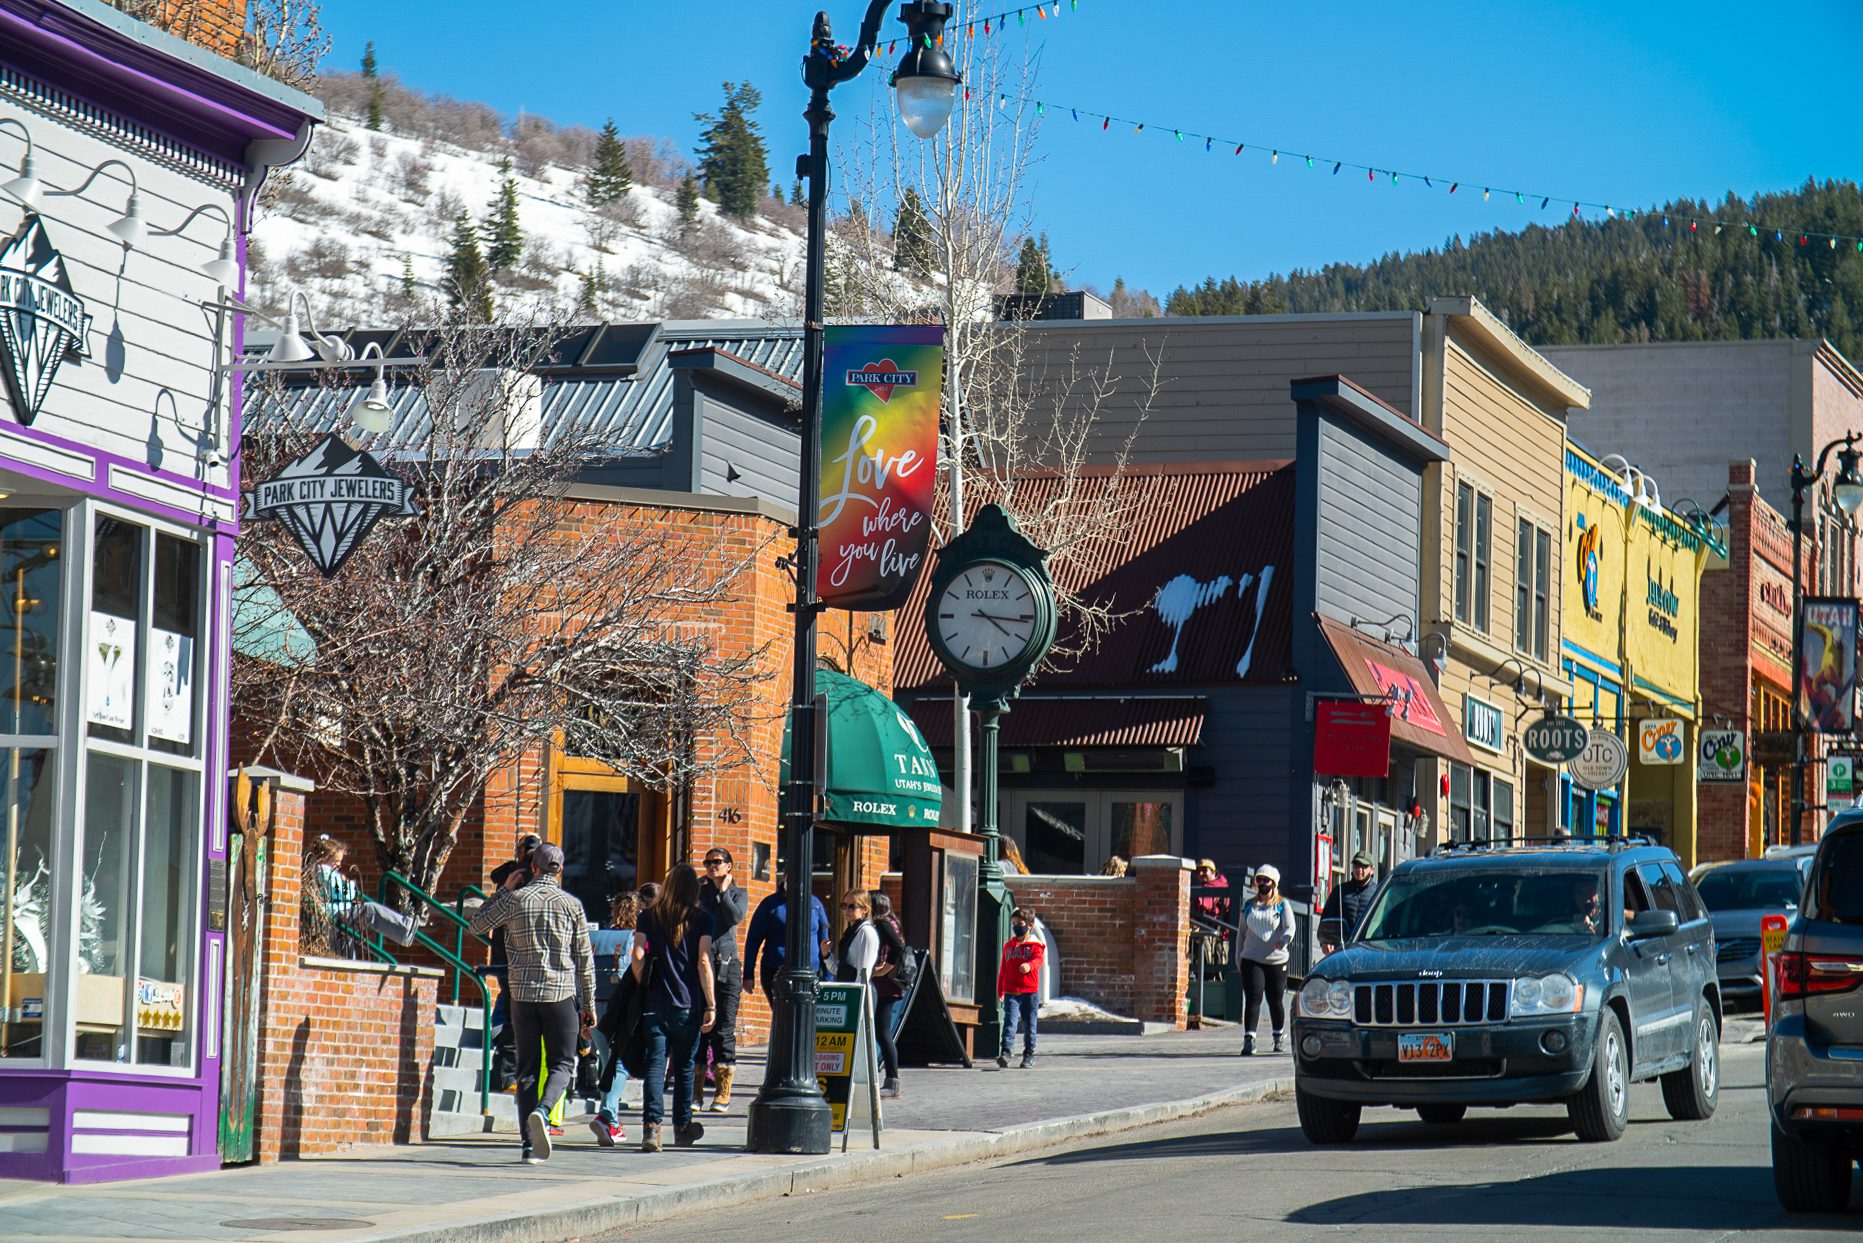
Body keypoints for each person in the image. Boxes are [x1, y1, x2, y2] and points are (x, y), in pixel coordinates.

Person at [467, 843, 595, 1165]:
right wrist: (589, 1003)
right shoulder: (571, 905)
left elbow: (476, 925)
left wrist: (503, 892)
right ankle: (544, 1109)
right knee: (562, 1064)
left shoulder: (515, 900)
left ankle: (528, 1146)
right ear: (560, 870)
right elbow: (584, 959)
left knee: (525, 1070)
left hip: (521, 995)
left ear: (533, 868)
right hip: (560, 994)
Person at [631, 863, 716, 1153]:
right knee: (683, 1067)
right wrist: (711, 1004)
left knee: (655, 1065)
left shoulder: (648, 916)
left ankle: (652, 1129)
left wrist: (644, 982)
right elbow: (704, 961)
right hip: (688, 1003)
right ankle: (682, 1126)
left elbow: (638, 955)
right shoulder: (703, 919)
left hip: (655, 1003)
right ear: (694, 889)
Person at [696, 847, 749, 1113]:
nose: (712, 866)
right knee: (699, 1027)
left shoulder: (738, 893)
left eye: (717, 862)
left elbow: (734, 917)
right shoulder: (699, 891)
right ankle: (695, 1092)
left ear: (729, 866)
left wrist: (723, 892)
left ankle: (722, 1091)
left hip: (727, 967)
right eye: (708, 862)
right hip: (700, 964)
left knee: (724, 1029)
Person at [585, 890, 638, 1146]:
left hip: (595, 1004)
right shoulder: (637, 938)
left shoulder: (595, 937)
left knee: (607, 1061)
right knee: (620, 1063)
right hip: (621, 1006)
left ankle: (611, 1119)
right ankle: (608, 1116)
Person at [305, 836, 424, 948]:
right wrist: (349, 885)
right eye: (336, 861)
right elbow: (341, 893)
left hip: (335, 915)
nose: (339, 865)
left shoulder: (321, 872)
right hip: (337, 914)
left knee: (345, 946)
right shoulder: (323, 871)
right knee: (371, 910)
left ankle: (405, 930)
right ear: (323, 859)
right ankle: (404, 929)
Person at [742, 869, 832, 1008]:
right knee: (782, 1017)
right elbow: (753, 941)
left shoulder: (815, 905)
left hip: (811, 972)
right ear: (784, 879)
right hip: (776, 971)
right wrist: (748, 974)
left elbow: (824, 943)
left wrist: (828, 977)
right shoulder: (770, 905)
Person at [1238, 864, 1295, 1056]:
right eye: (1259, 880)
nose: (1262, 884)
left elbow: (1290, 928)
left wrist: (1284, 940)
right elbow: (1241, 934)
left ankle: (1278, 1035)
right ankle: (1249, 1039)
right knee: (1253, 998)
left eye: (1266, 880)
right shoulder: (1248, 906)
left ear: (1274, 883)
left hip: (1276, 960)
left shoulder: (1282, 905)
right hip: (1252, 958)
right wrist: (1239, 957)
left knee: (1275, 1000)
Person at [868, 892, 910, 1099]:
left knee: (882, 1033)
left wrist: (885, 969)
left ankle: (892, 1082)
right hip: (888, 985)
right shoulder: (893, 921)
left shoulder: (883, 923)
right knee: (880, 1032)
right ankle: (884, 1078)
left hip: (886, 985)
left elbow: (897, 947)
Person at [995, 907, 1044, 1070]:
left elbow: (1038, 961)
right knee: (1010, 1022)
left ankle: (1029, 1054)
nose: (1016, 927)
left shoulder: (1035, 945)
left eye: (1020, 923)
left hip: (1030, 992)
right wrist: (1000, 989)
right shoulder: (1008, 946)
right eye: (1014, 923)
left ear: (1029, 925)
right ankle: (1006, 1052)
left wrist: (1029, 966)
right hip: (1011, 991)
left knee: (1030, 1025)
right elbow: (1003, 969)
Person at [1319, 851, 1379, 952]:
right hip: (1342, 948)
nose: (1359, 870)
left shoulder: (1378, 893)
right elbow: (1327, 918)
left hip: (1369, 949)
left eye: (1364, 867)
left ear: (1372, 870)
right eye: (1356, 866)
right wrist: (1325, 941)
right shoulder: (1340, 891)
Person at [1193, 859, 1232, 926]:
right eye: (1198, 871)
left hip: (1215, 931)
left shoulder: (1215, 886)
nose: (1200, 873)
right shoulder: (1223, 884)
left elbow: (1204, 904)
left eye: (1204, 870)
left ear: (1213, 872)